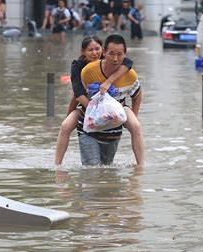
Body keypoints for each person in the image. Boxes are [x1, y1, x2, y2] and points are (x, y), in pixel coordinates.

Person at [54, 35, 144, 166]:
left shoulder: (121, 66)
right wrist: (96, 110)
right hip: (87, 106)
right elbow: (77, 94)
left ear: (101, 50)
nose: (94, 53)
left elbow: (128, 63)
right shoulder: (81, 68)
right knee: (65, 126)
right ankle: (57, 165)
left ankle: (141, 166)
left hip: (117, 107)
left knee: (136, 126)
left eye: (97, 49)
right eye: (90, 50)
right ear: (83, 52)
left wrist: (109, 81)